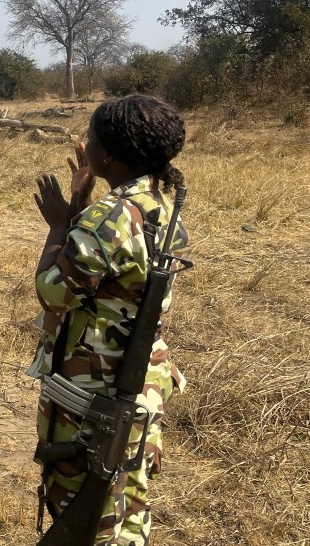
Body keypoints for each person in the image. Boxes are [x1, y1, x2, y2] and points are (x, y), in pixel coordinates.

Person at [28, 94, 189, 545]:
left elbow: (53, 291)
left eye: (92, 138)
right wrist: (82, 205)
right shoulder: (159, 206)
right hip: (142, 383)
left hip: (96, 392)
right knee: (129, 504)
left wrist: (61, 224)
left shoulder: (110, 216)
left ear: (109, 153)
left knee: (83, 507)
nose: (86, 144)